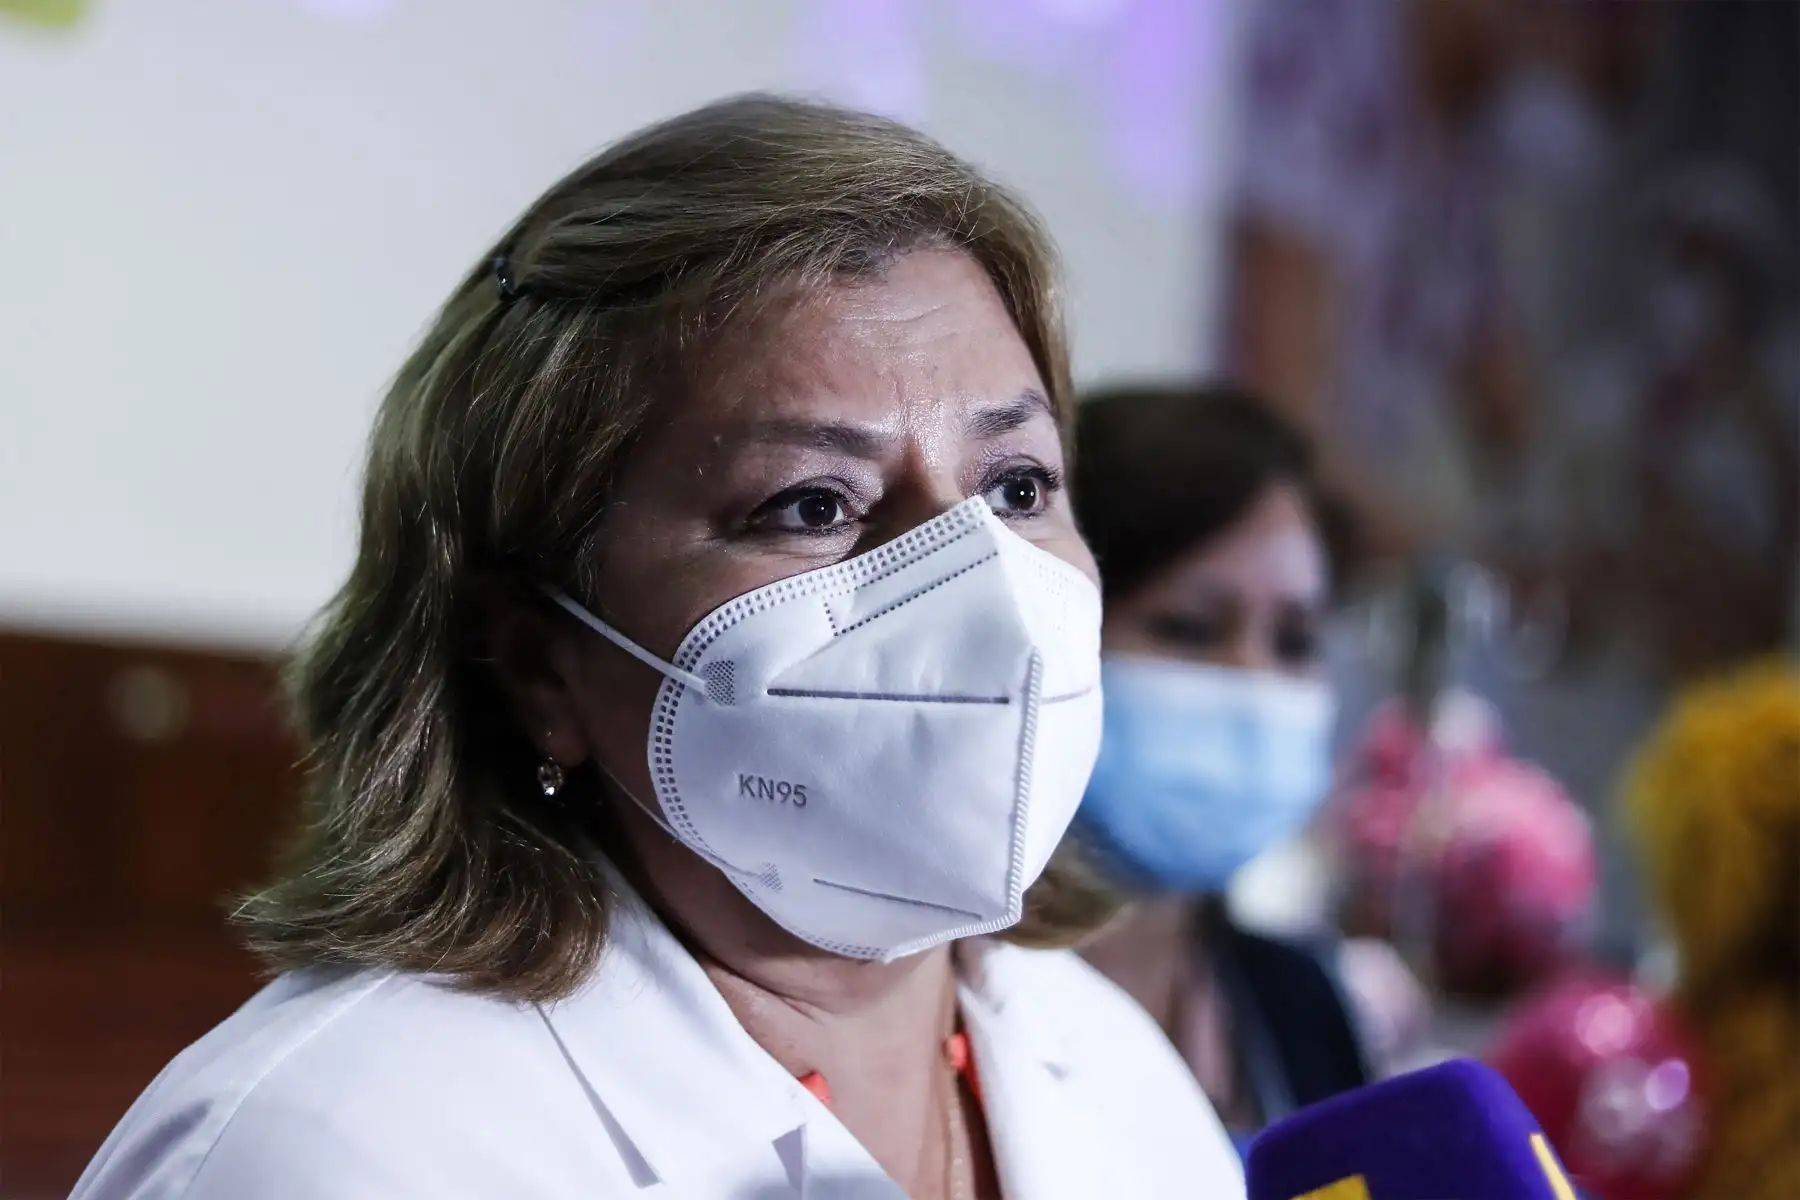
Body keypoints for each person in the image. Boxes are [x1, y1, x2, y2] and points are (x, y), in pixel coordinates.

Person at [74, 98, 1244, 1199]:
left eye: (1017, 485)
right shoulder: (341, 1149)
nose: (979, 584)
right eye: (813, 506)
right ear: (537, 661)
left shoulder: (1112, 1072)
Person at [1071, 384, 1425, 1148]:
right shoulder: (937, 1003)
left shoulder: (1300, 1002)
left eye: (1294, 641)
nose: (1252, 679)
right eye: (1192, 629)